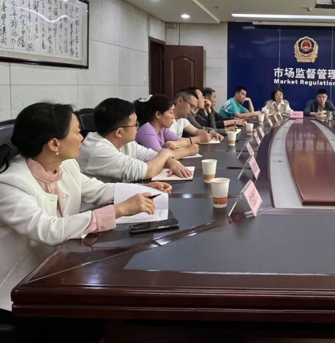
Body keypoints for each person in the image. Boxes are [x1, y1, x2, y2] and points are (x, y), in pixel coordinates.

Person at [0, 103, 171, 313]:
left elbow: (97, 189)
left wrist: (141, 189)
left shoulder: (65, 165)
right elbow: (48, 229)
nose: (82, 137)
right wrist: (117, 210)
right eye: (76, 132)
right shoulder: (10, 183)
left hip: (62, 267)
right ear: (54, 143)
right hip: (20, 287)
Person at [78, 98, 193, 182]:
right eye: (135, 124)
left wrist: (172, 162)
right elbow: (148, 171)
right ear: (119, 132)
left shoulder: (125, 142)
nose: (137, 127)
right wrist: (166, 153)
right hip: (97, 205)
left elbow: (153, 155)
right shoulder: (99, 149)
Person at [134, 95, 200, 154]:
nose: (173, 117)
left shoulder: (162, 129)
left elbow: (180, 140)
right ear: (158, 114)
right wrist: (187, 151)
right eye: (171, 112)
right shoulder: (147, 131)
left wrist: (175, 144)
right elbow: (160, 156)